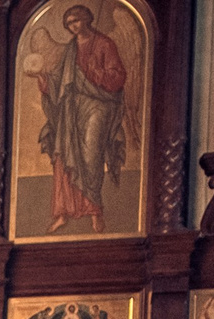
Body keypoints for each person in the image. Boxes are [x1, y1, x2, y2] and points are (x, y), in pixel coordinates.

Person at [34, 5, 129, 235]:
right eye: (70, 23)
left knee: (90, 156)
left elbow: (118, 78)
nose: (74, 26)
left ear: (87, 19)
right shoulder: (70, 49)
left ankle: (95, 211)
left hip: (98, 105)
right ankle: (63, 212)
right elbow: (61, 78)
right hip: (72, 108)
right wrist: (43, 79)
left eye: (77, 21)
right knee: (64, 156)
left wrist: (93, 74)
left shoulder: (105, 44)